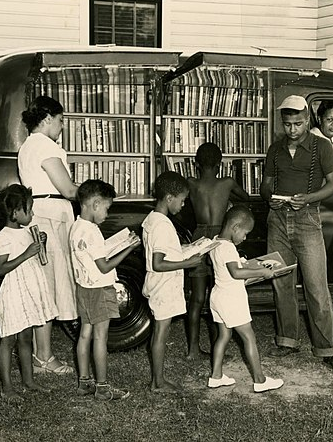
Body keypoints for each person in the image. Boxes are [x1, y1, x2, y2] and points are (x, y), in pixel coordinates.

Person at [260, 94, 333, 371]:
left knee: (316, 287)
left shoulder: (322, 147)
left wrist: (309, 198)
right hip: (277, 220)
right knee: (282, 283)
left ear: (307, 120)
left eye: (298, 124)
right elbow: (266, 185)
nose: (293, 130)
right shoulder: (275, 150)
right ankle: (287, 341)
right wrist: (269, 198)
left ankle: (328, 349)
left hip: (307, 220)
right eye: (288, 124)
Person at [18, 95, 77, 375]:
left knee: (43, 284)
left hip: (38, 214)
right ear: (48, 119)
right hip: (51, 217)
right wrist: (94, 191)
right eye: (61, 120)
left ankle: (41, 354)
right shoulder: (46, 146)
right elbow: (69, 190)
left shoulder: (27, 146)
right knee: (50, 286)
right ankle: (44, 358)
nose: (62, 126)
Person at [69, 179, 140, 401]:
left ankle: (84, 383)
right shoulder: (92, 231)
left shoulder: (76, 226)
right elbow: (105, 266)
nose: (107, 214)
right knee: (101, 337)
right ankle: (102, 387)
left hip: (84, 288)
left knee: (84, 334)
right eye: (107, 208)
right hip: (99, 290)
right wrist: (128, 247)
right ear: (96, 203)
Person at [208, 205, 284, 393]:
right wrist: (262, 270)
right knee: (249, 337)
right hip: (232, 299)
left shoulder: (216, 242)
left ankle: (216, 376)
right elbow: (235, 272)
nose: (245, 237)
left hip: (218, 296)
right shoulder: (228, 248)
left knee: (223, 336)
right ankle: (260, 380)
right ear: (235, 227)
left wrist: (253, 271)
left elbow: (231, 272)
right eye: (245, 233)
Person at [0, 184, 57, 402]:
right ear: (14, 213)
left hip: (28, 290)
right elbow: (0, 268)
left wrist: (41, 246)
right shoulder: (2, 237)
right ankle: (7, 388)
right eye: (29, 209)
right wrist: (27, 253)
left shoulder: (28, 232)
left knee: (26, 338)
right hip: (13, 293)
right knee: (8, 340)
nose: (32, 213)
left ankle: (28, 381)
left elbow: (39, 260)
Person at [185, 142, 250, 360]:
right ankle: (217, 347)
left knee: (197, 298)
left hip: (199, 238)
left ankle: (193, 350)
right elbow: (246, 198)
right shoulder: (227, 182)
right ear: (220, 164)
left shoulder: (191, 183)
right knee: (221, 291)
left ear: (196, 164)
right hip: (220, 237)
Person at [142, 171, 203, 392]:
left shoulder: (153, 219)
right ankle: (158, 382)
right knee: (161, 333)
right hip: (163, 285)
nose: (183, 205)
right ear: (169, 198)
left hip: (160, 284)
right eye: (182, 200)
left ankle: (158, 380)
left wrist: (186, 251)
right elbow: (158, 263)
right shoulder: (162, 224)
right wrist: (188, 263)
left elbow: (164, 253)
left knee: (161, 331)